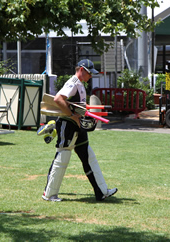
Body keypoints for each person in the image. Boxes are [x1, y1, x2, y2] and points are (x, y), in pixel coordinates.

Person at [42, 59, 118, 202]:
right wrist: (72, 115)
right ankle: (49, 194)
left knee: (89, 158)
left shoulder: (80, 84)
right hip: (67, 124)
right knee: (63, 157)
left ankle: (101, 191)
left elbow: (76, 103)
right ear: (82, 70)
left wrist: (84, 108)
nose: (91, 76)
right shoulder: (73, 83)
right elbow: (58, 99)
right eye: (89, 73)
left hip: (78, 125)